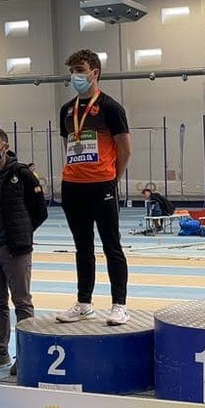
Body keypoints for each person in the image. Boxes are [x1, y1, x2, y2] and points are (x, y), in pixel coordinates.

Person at [55, 49, 132, 325]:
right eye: (72, 70)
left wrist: (113, 177)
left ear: (94, 73)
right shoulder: (66, 110)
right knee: (82, 247)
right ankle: (84, 302)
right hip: (72, 186)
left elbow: (125, 150)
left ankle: (119, 305)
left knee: (112, 245)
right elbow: (68, 146)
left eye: (80, 69)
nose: (75, 75)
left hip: (102, 185)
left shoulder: (111, 108)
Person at [0, 126, 48, 374]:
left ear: (5, 147)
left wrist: (21, 235)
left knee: (22, 303)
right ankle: (0, 353)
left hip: (15, 251)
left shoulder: (21, 174)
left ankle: (26, 355)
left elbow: (39, 211)